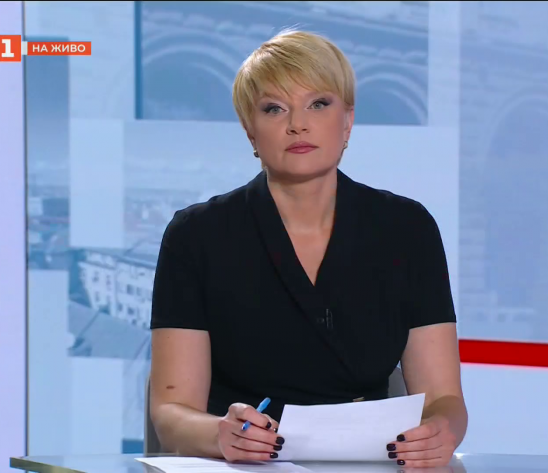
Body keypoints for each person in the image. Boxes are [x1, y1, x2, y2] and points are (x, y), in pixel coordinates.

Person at [148, 29, 468, 468]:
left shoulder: (407, 229)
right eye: (274, 108)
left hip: (369, 464)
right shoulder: (196, 235)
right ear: (250, 131)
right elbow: (171, 413)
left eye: (318, 104)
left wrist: (440, 431)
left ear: (347, 121)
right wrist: (220, 434)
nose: (297, 124)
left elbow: (445, 399)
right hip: (241, 466)